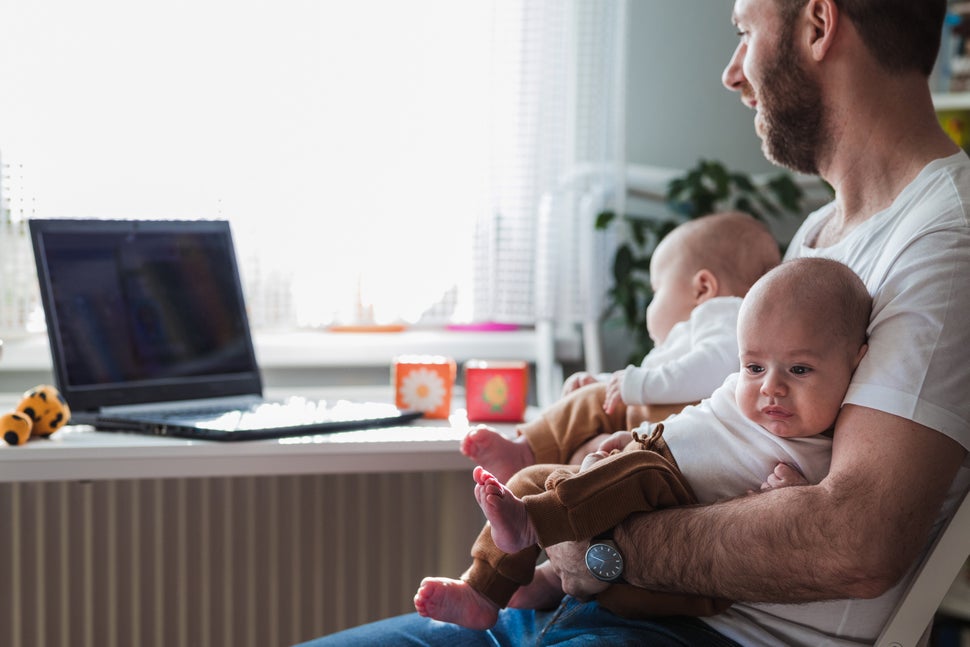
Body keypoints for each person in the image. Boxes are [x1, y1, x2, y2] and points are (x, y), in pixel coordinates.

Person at [296, 1, 970, 644]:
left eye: (745, 30)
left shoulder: (943, 242)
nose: (732, 71)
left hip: (695, 631)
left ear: (818, 24)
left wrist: (599, 539)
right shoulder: (822, 233)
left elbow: (854, 540)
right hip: (595, 603)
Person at [413, 257, 870, 631]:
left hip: (679, 514)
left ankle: (537, 531)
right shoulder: (737, 391)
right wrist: (629, 439)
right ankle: (483, 590)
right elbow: (691, 420)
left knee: (638, 477)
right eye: (755, 368)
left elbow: (808, 513)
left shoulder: (829, 448)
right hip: (648, 471)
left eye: (800, 370)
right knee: (532, 480)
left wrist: (787, 492)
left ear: (856, 361)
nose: (771, 387)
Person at [462, 211, 781, 483]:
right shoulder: (702, 326)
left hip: (685, 416)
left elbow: (713, 367)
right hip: (668, 415)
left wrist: (630, 385)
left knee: (593, 403)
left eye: (657, 290)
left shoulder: (727, 313)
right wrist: (607, 382)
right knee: (595, 402)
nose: (652, 304)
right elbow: (657, 373)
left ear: (703, 288)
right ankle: (532, 467)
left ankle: (525, 451)